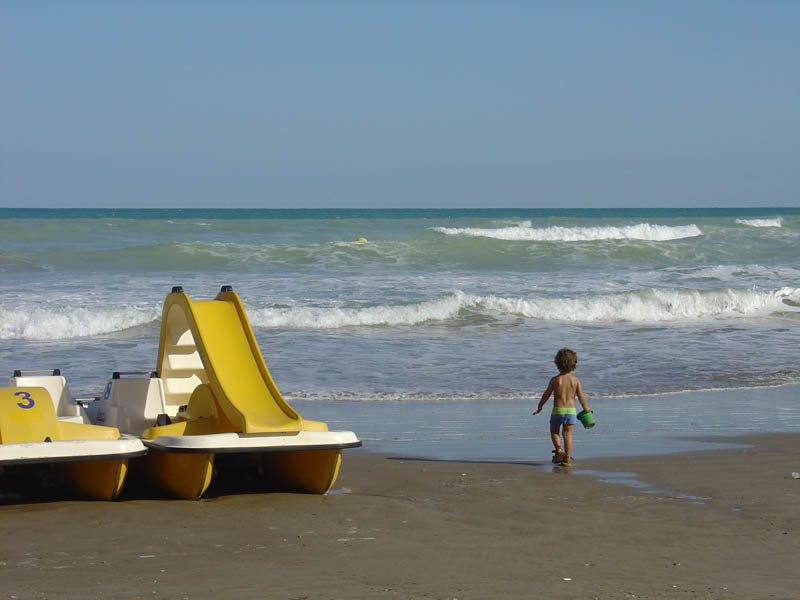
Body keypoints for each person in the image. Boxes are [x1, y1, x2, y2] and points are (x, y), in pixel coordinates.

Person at [533, 348, 591, 466]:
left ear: (557, 364)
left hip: (558, 411)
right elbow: (581, 396)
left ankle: (559, 450)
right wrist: (586, 408)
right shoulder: (575, 380)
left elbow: (546, 394)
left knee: (554, 431)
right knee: (567, 435)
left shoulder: (555, 380)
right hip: (571, 411)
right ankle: (567, 458)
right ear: (574, 364)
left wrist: (540, 406)